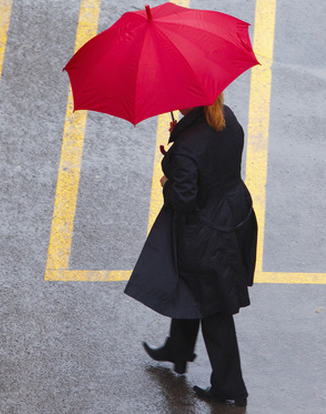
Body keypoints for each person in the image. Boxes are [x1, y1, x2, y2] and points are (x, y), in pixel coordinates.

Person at [125, 93, 258, 407]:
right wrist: (180, 140)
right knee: (193, 287)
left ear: (186, 102)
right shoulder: (227, 117)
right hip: (233, 217)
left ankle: (230, 388)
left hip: (205, 235)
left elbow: (182, 199)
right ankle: (179, 349)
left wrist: (167, 178)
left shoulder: (188, 146)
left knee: (214, 309)